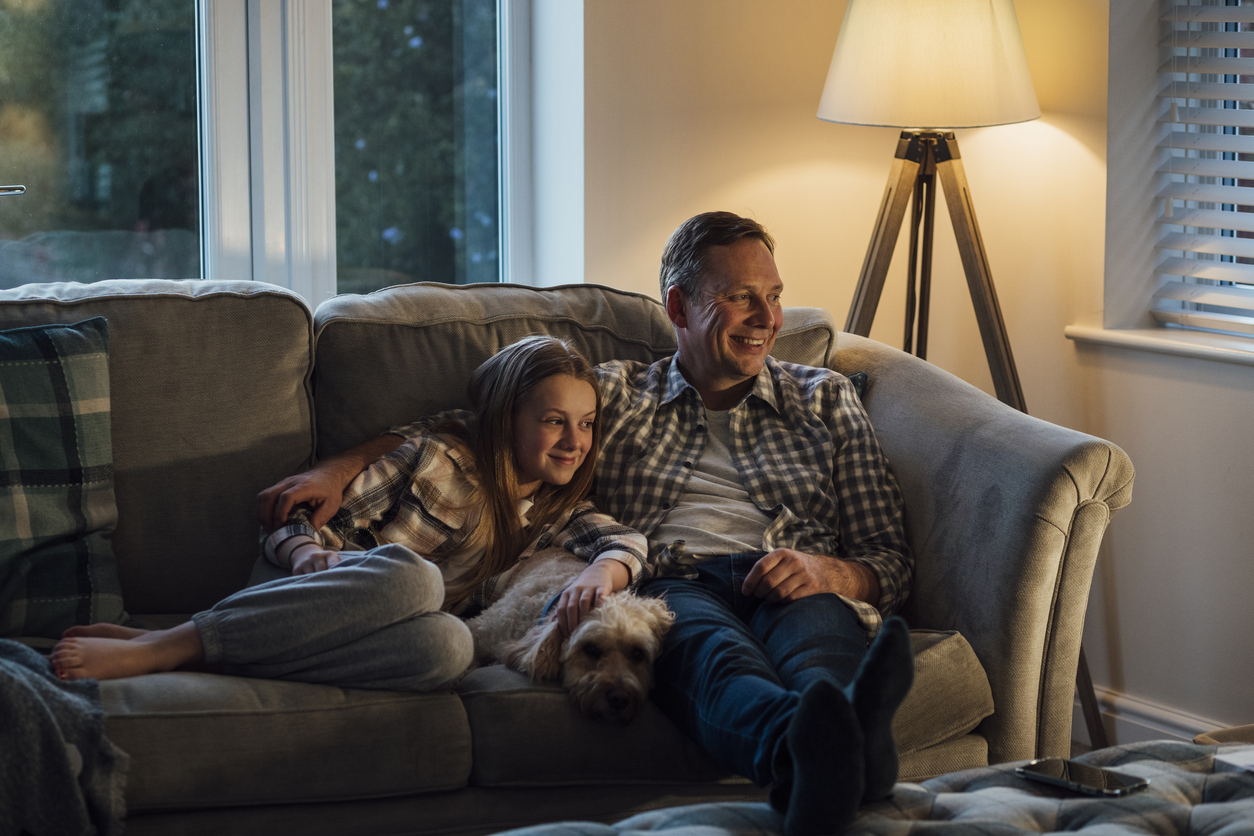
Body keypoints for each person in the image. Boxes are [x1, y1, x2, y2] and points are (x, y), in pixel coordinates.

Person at [254, 213, 914, 836]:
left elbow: (888, 556)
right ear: (678, 309)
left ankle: (838, 748)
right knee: (719, 666)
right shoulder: (613, 394)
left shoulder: (825, 397)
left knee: (823, 656)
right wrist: (338, 470)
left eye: (774, 296)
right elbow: (482, 427)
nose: (769, 319)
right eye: (742, 298)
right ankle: (845, 758)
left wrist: (834, 571)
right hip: (670, 584)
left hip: (798, 580)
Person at [50, 336, 649, 690]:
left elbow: (626, 542)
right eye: (553, 421)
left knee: (451, 647)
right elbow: (292, 520)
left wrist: (602, 572)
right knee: (415, 577)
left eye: (587, 424)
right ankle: (169, 647)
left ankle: (197, 646)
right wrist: (309, 551)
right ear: (505, 419)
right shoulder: (435, 459)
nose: (575, 440)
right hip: (301, 589)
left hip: (372, 634)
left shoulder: (553, 511)